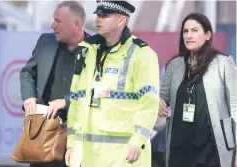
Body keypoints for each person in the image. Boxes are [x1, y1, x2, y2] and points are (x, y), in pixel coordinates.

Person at [65, 1, 160, 167]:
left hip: (124, 158)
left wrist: (137, 142)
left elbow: (149, 104)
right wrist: (72, 143)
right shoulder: (86, 51)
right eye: (97, 15)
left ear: (121, 20)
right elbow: (76, 101)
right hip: (88, 158)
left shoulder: (142, 54)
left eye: (104, 15)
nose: (97, 19)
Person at [159, 13, 236, 167]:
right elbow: (163, 97)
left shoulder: (223, 64)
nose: (189, 35)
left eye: (194, 30)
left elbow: (235, 106)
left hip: (211, 148)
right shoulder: (174, 65)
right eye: (185, 31)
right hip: (179, 147)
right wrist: (157, 101)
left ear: (207, 35)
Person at [19, 1, 88, 167]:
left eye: (58, 21)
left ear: (77, 24)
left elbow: (96, 90)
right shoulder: (46, 42)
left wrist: (66, 101)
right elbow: (28, 72)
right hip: (45, 133)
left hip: (78, 136)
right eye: (53, 20)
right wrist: (28, 97)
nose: (52, 25)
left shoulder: (95, 49)